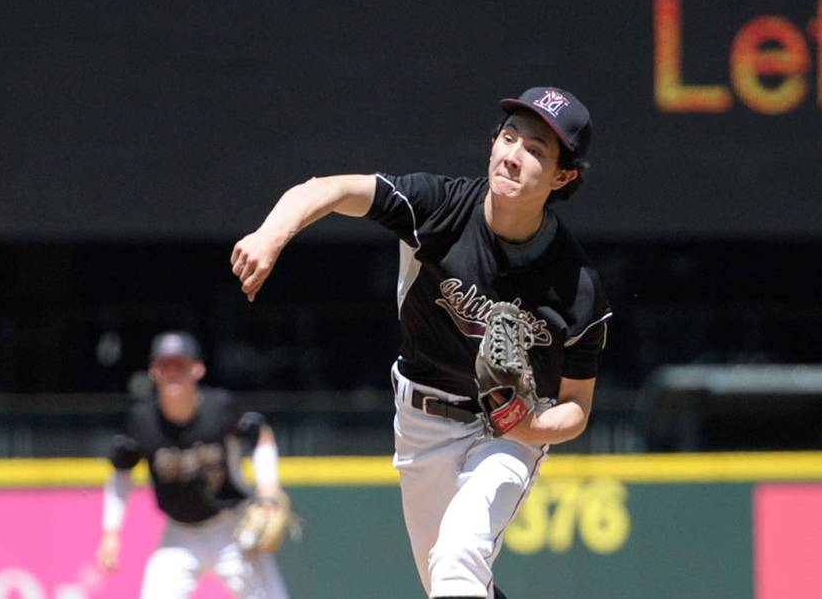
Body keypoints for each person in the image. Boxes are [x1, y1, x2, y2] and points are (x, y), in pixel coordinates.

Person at [230, 87, 611, 599]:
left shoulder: (577, 285)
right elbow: (331, 189)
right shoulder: (440, 208)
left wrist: (530, 424)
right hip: (422, 424)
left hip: (508, 436)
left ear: (563, 176)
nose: (512, 155)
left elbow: (578, 408)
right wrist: (270, 235)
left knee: (458, 557)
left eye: (535, 151)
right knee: (449, 583)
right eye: (508, 137)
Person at [96, 330, 290, 599]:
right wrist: (111, 532)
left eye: (181, 365)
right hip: (180, 535)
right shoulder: (142, 421)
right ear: (154, 370)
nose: (173, 373)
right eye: (165, 365)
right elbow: (121, 471)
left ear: (197, 369)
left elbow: (261, 436)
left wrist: (268, 487)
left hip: (232, 530)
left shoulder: (220, 407)